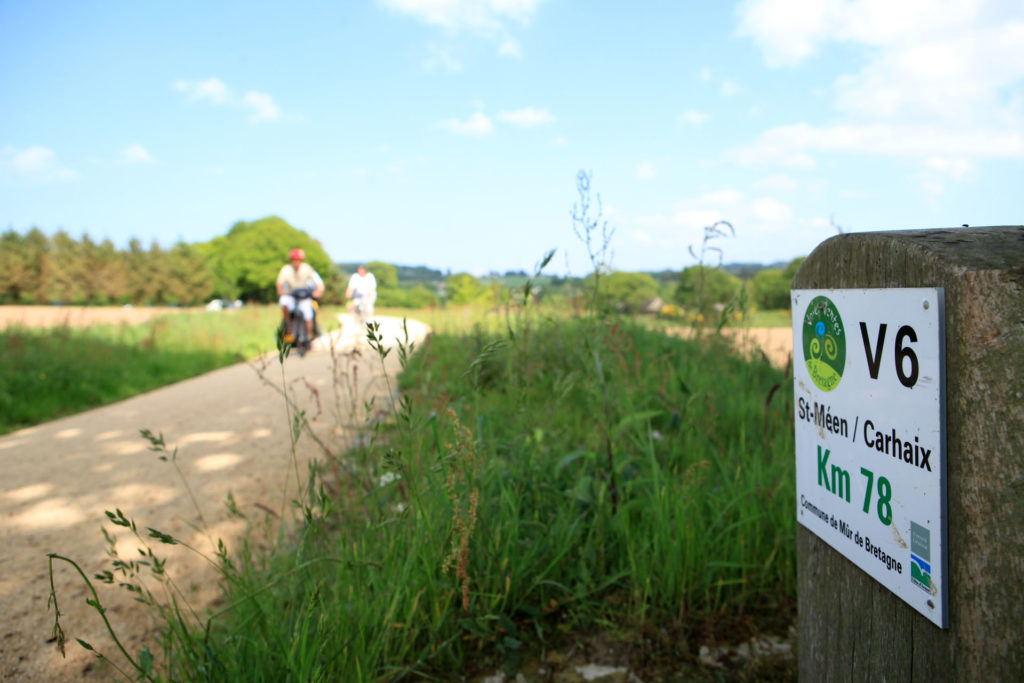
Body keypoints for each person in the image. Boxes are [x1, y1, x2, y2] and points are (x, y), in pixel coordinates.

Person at [276, 248, 325, 343]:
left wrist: (318, 291)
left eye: (298, 260)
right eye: (294, 259)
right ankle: (287, 324)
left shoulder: (307, 268)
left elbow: (317, 282)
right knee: (284, 302)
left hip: (304, 296)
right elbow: (279, 282)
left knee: (308, 313)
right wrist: (281, 291)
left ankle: (309, 334)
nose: (296, 262)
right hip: (291, 295)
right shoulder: (286, 269)